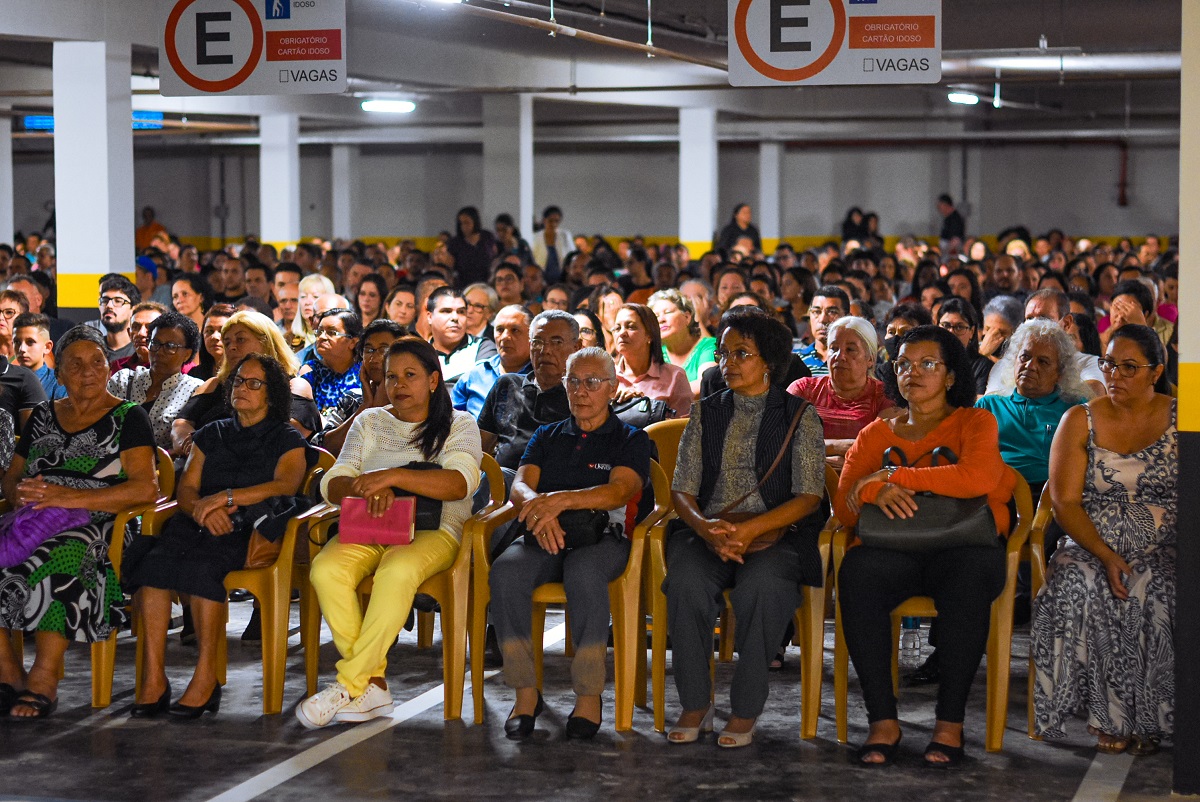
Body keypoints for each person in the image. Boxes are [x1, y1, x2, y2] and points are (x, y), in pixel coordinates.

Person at [835, 325, 1016, 767]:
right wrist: (873, 491)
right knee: (857, 574)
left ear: (951, 376)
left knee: (968, 580)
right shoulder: (877, 433)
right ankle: (883, 721)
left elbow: (977, 478)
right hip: (894, 550)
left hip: (963, 545)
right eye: (902, 365)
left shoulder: (975, 421)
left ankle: (949, 725)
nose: (912, 373)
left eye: (927, 364)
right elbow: (844, 503)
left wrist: (893, 476)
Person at [299, 337, 483, 728]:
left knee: (396, 572)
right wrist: (365, 487)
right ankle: (373, 684)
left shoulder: (459, 424)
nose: (398, 385)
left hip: (436, 530)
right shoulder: (370, 421)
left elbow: (460, 483)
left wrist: (396, 477)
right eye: (391, 377)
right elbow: (333, 480)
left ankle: (349, 684)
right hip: (371, 524)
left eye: (410, 376)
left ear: (434, 381)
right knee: (325, 570)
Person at [664, 312, 825, 748]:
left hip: (776, 535)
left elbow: (809, 495)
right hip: (708, 533)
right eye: (723, 353)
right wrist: (703, 527)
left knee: (763, 589)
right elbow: (682, 488)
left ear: (769, 362)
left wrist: (751, 530)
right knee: (685, 583)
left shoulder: (799, 416)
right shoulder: (705, 413)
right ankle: (696, 704)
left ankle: (745, 709)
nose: (728, 363)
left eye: (741, 354)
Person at [122, 354, 311, 719]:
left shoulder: (285, 436)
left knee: (201, 569)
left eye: (254, 383)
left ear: (271, 394)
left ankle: (207, 676)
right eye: (239, 381)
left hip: (247, 526)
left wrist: (225, 500)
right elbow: (187, 488)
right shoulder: (213, 432)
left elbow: (285, 484)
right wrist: (201, 511)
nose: (242, 388)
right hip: (199, 520)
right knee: (152, 568)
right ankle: (154, 677)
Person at [490, 347, 650, 740]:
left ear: (612, 388)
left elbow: (619, 491)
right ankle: (526, 694)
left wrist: (560, 501)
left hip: (602, 539)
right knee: (507, 571)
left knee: (584, 574)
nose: (582, 391)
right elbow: (521, 485)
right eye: (574, 381)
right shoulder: (547, 435)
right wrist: (541, 514)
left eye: (593, 382)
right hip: (544, 534)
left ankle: (589, 695)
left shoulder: (630, 438)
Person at [1031, 324, 1176, 756]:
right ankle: (1107, 717)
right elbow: (1066, 503)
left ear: (1156, 372)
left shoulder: (1184, 417)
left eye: (1129, 367)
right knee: (1077, 584)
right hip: (1089, 541)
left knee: (1157, 588)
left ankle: (1152, 718)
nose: (1114, 375)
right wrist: (1106, 554)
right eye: (1110, 364)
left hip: (1164, 545)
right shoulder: (1080, 419)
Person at [0, 326, 158, 718]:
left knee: (64, 553)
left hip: (100, 522)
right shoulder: (42, 415)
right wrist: (19, 491)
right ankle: (7, 669)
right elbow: (12, 475)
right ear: (61, 371)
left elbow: (144, 488)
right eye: (76, 364)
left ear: (108, 368)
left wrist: (69, 497)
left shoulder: (128, 416)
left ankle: (45, 677)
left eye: (97, 362)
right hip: (33, 517)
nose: (88, 372)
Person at [173, 311, 320, 454]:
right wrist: (190, 443)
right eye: (227, 342)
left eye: (240, 339)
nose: (232, 347)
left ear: (266, 342)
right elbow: (181, 423)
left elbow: (288, 434)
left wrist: (210, 443)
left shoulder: (294, 385)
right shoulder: (215, 384)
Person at [787, 316, 894, 471]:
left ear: (870, 358)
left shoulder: (884, 396)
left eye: (850, 350)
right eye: (833, 348)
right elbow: (783, 441)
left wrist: (816, 449)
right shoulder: (803, 389)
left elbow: (879, 449)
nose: (840, 356)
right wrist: (839, 446)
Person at [108, 312, 203, 454]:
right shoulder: (123, 379)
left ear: (187, 354)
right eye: (155, 343)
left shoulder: (193, 389)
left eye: (170, 346)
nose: (159, 352)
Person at [318, 320, 407, 455]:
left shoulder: (409, 399)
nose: (373, 358)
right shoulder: (352, 398)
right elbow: (324, 450)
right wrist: (366, 406)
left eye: (383, 350)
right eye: (368, 350)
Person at [611, 304, 691, 418]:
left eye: (631, 327)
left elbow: (684, 429)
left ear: (649, 335)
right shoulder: (606, 377)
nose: (622, 333)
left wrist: (645, 407)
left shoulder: (675, 377)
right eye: (617, 328)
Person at [452, 305, 532, 418]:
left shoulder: (541, 377)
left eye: (515, 330)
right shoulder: (475, 375)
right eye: (500, 330)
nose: (505, 337)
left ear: (532, 336)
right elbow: (449, 419)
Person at [299, 309, 363, 424]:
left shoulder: (364, 371)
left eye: (332, 333)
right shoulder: (310, 371)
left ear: (353, 342)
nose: (322, 337)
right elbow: (304, 416)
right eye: (319, 331)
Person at [649, 289, 716, 398]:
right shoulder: (654, 354)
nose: (661, 319)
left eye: (668, 312)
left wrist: (662, 395)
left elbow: (704, 385)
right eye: (656, 316)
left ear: (687, 317)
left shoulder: (708, 345)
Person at [425, 287, 498, 384]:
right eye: (446, 311)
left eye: (461, 312)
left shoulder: (483, 347)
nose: (455, 318)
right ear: (430, 317)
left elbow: (481, 387)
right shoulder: (420, 352)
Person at [937, 297, 990, 396]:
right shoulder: (928, 360)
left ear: (972, 332)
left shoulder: (983, 366)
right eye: (946, 325)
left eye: (959, 327)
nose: (951, 332)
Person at [796, 285, 849, 377]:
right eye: (816, 312)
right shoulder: (795, 360)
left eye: (832, 312)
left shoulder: (854, 360)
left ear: (848, 318)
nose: (822, 319)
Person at [12, 313, 66, 400]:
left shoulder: (60, 383)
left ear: (47, 347)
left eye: (30, 342)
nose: (22, 349)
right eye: (17, 342)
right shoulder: (5, 381)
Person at [109, 302, 167, 375]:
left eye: (150, 327)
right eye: (136, 327)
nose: (141, 333)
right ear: (129, 333)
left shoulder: (176, 369)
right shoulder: (116, 367)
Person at [447, 206, 498, 288]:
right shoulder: (455, 242)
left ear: (475, 221)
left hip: (487, 282)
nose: (464, 227)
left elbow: (495, 257)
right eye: (461, 223)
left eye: (467, 223)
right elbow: (450, 267)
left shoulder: (487, 236)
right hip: (464, 284)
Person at [292, 274, 338, 349]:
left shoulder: (338, 338)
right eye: (303, 296)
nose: (307, 302)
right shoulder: (288, 339)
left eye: (315, 296)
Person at [531, 206, 573, 284]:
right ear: (544, 220)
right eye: (550, 221)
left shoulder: (565, 236)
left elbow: (572, 255)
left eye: (556, 221)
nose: (553, 224)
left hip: (562, 278)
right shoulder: (535, 238)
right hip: (541, 278)